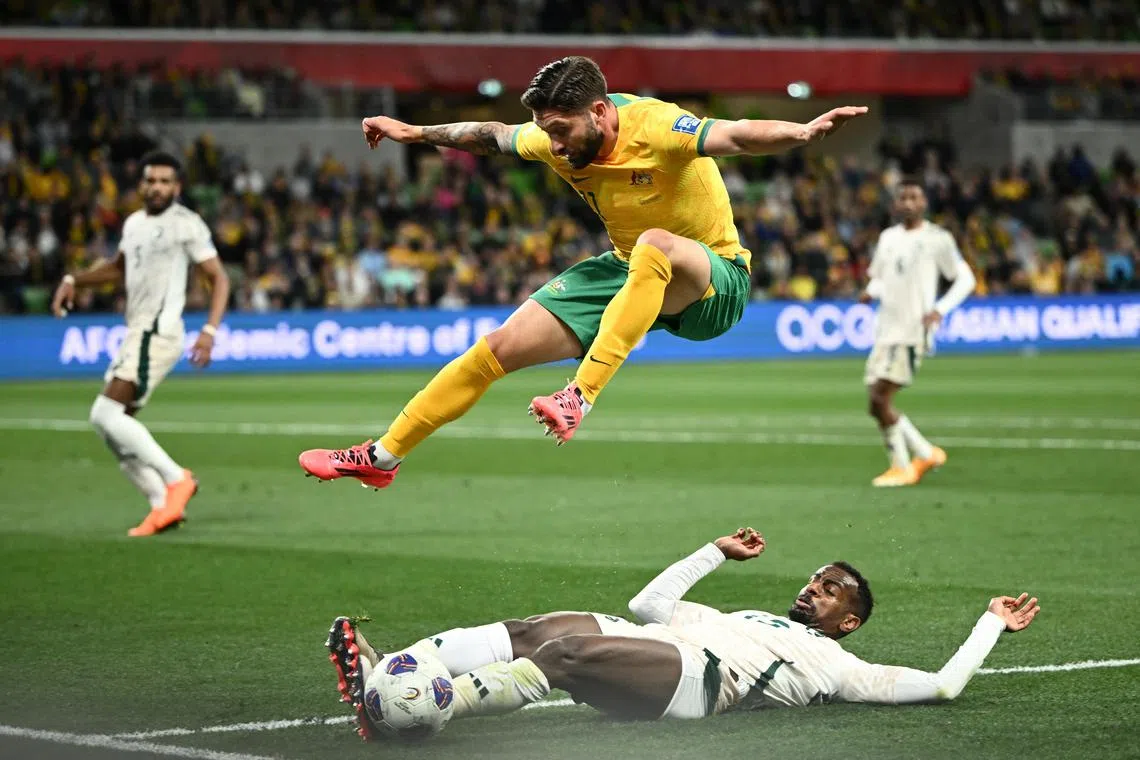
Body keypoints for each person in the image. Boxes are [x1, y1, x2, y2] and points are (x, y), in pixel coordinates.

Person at [298, 55, 868, 490]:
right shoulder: (555, 140)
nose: (553, 142)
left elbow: (736, 133)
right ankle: (380, 458)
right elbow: (493, 136)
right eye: (546, 129)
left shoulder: (660, 127)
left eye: (561, 129)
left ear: (599, 112)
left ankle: (580, 396)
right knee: (493, 348)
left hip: (713, 283)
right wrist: (415, 133)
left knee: (656, 245)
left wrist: (800, 133)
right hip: (628, 272)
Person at [326, 528, 1039, 739]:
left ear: (847, 622)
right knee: (538, 626)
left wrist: (989, 624)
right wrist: (714, 553)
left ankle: (428, 706)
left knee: (565, 655)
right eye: (814, 579)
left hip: (701, 688)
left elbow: (944, 686)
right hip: (675, 651)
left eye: (829, 591)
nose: (811, 589)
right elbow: (648, 603)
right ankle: (396, 663)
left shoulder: (835, 666)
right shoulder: (743, 618)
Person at [50, 151, 231, 536]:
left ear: (177, 187)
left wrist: (210, 331)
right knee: (114, 425)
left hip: (158, 332)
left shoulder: (186, 224)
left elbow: (219, 278)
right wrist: (73, 280)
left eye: (166, 181)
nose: (157, 187)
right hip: (137, 331)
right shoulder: (133, 224)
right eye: (151, 180)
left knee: (105, 413)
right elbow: (117, 269)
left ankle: (175, 479)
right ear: (142, 185)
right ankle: (161, 505)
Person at [858, 179, 977, 487]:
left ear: (924, 203)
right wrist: (870, 291)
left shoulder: (938, 239)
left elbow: (965, 279)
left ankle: (903, 465)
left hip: (912, 331)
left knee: (880, 398)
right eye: (903, 198)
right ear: (896, 204)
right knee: (876, 401)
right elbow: (880, 278)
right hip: (885, 330)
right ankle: (924, 453)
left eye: (915, 197)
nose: (908, 203)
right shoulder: (887, 238)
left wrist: (941, 308)